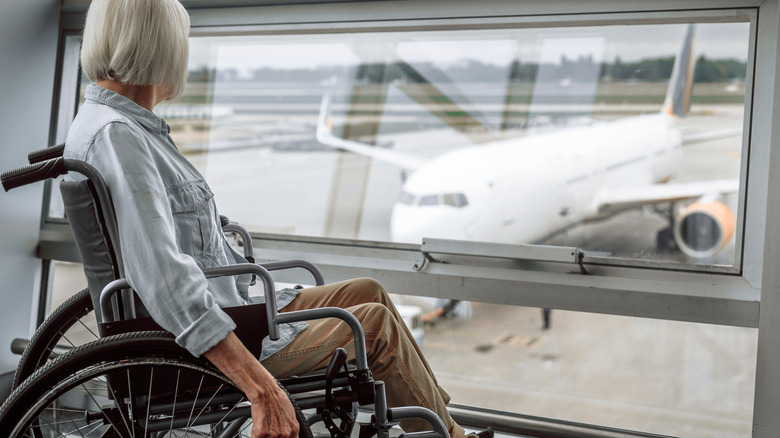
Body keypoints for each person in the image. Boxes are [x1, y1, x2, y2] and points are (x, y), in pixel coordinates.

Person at [65, 2, 491, 438]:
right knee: (374, 328)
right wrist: (258, 385)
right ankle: (448, 435)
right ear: (164, 46)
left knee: (368, 292)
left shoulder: (116, 125)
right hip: (196, 343)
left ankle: (444, 423)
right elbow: (161, 275)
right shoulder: (119, 137)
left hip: (223, 301)